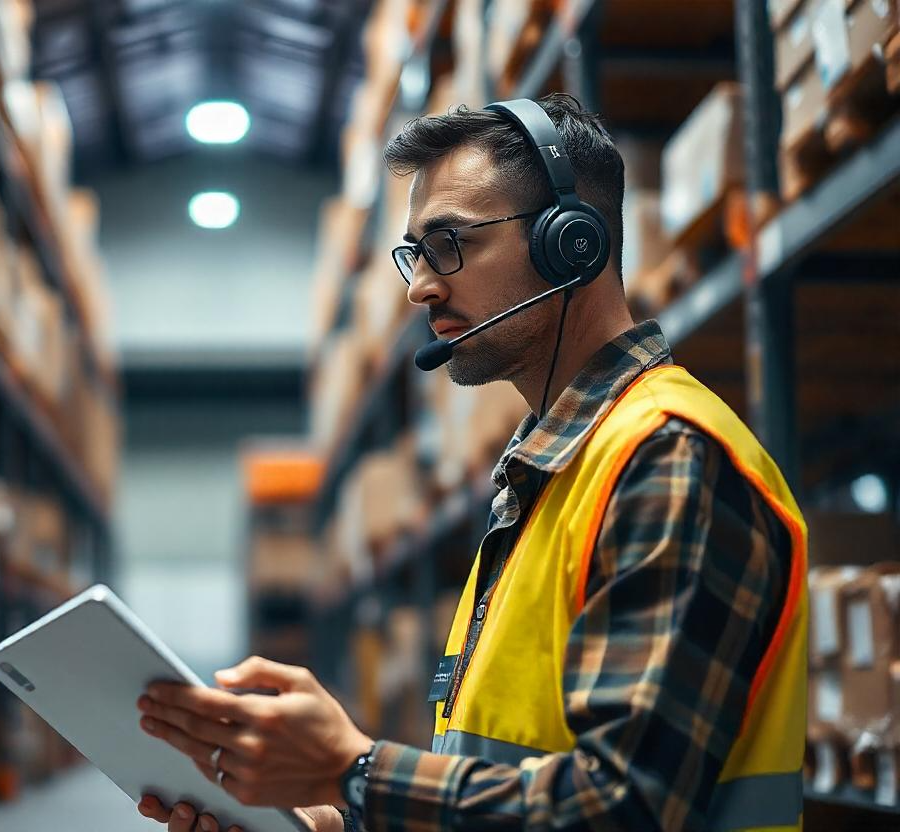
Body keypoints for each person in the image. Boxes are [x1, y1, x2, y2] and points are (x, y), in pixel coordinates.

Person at [134, 94, 807, 832]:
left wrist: (354, 770)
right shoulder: (546, 475)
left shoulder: (669, 457)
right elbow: (507, 783)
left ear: (570, 242)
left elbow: (624, 808)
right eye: (414, 254)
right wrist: (333, 824)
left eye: (449, 242)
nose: (422, 284)